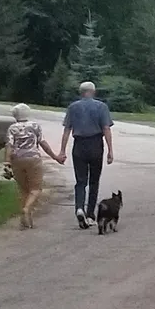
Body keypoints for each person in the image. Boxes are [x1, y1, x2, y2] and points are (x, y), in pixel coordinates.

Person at [58, 81, 114, 229]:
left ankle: (79, 208)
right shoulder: (101, 107)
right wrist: (110, 150)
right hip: (95, 144)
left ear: (81, 92)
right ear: (93, 92)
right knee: (94, 181)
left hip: (79, 145)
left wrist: (62, 151)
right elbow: (106, 128)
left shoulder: (73, 107)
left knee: (80, 181)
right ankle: (90, 215)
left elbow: (66, 131)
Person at [5, 103, 63, 229]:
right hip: (33, 159)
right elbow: (42, 143)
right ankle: (26, 210)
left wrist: (7, 162)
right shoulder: (35, 126)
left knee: (24, 190)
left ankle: (26, 221)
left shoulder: (12, 128)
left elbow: (9, 145)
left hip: (17, 160)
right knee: (35, 189)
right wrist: (55, 156)